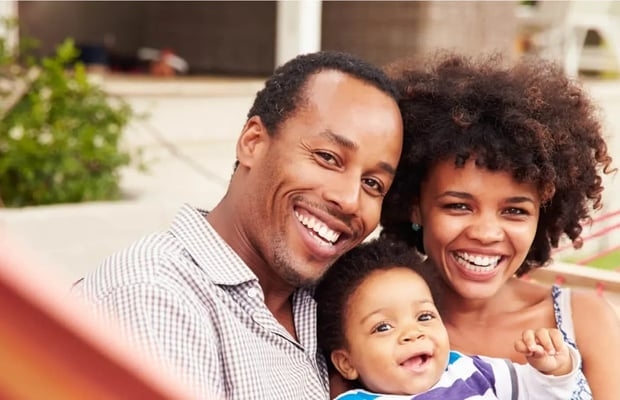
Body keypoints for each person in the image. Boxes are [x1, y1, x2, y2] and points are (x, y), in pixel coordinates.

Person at [73, 50, 404, 399]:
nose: (350, 200)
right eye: (327, 158)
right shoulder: (155, 298)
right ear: (253, 143)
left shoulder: (333, 305)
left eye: (373, 184)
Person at [379, 52, 620, 399]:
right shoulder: (373, 321)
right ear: (414, 207)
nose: (487, 233)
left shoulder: (584, 322)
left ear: (544, 216)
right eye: (459, 206)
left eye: (515, 211)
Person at [315, 238, 581, 399]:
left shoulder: (470, 370)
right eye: (383, 327)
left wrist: (553, 368)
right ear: (346, 363)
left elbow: (540, 393)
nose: (412, 333)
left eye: (424, 316)